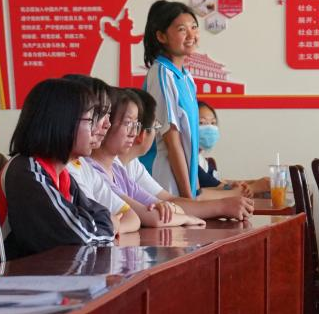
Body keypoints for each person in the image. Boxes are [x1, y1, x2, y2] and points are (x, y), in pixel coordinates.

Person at [0, 79, 114, 260]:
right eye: (90, 120)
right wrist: (92, 223)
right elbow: (77, 236)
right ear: (63, 122)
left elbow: (103, 216)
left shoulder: (62, 175)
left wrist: (92, 223)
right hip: (8, 275)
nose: (96, 129)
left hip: (44, 272)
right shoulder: (27, 172)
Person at [121, 88, 254, 220]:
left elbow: (169, 201)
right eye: (156, 126)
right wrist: (220, 206)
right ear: (142, 134)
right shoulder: (115, 167)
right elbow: (148, 214)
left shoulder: (133, 164)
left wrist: (223, 206)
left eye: (213, 123)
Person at [89, 88, 205, 227]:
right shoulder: (93, 170)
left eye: (136, 125)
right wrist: (186, 219)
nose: (134, 133)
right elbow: (153, 218)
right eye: (127, 123)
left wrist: (169, 209)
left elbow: (169, 207)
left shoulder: (117, 169)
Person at [62, 75, 140, 234]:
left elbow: (132, 217)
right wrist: (110, 224)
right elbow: (85, 229)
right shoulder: (59, 169)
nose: (107, 124)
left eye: (108, 115)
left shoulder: (83, 165)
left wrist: (112, 226)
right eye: (97, 115)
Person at [140, 0, 200, 199]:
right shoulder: (162, 74)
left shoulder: (186, 77)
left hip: (183, 185)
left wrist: (195, 190)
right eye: (182, 29)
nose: (191, 35)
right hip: (164, 181)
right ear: (161, 36)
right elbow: (171, 140)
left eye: (194, 27)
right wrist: (189, 199)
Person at [197, 101, 270, 195]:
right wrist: (254, 187)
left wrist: (256, 182)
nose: (210, 128)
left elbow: (222, 183)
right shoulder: (189, 161)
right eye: (201, 122)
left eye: (213, 123)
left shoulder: (201, 159)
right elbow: (219, 190)